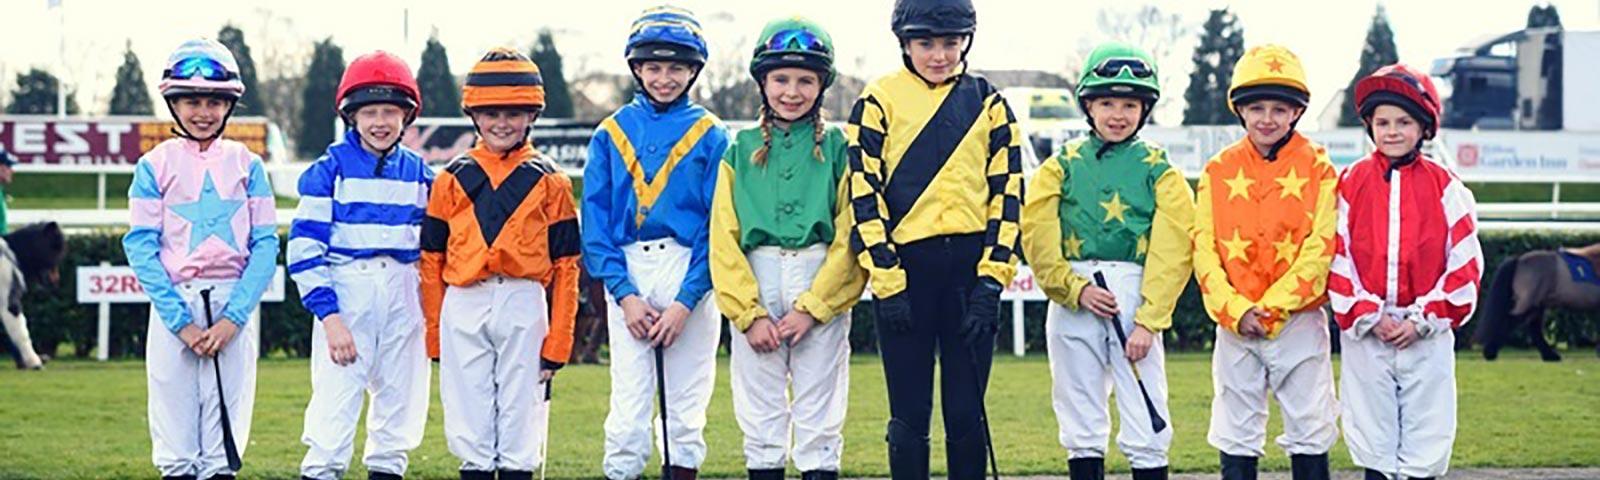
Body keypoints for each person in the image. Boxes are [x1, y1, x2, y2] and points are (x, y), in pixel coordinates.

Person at [845, 0, 1024, 476]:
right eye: (926, 43)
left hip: (969, 274)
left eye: (950, 42)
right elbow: (864, 194)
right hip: (905, 273)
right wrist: (887, 279)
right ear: (905, 43)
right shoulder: (877, 98)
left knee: (966, 412)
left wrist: (991, 282)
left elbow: (1008, 196)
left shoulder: (990, 101)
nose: (939, 54)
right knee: (909, 414)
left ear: (967, 39)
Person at [1020, 41, 1192, 480]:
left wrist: (1149, 320)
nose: (1118, 114)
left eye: (1130, 104)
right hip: (1075, 298)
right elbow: (1038, 235)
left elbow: (1173, 248)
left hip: (1136, 296)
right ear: (1089, 106)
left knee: (1146, 407)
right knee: (1079, 411)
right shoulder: (1059, 166)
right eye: (1108, 102)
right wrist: (1072, 288)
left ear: (1144, 109)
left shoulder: (1160, 168)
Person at [709, 16, 865, 480]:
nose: (791, 91)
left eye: (805, 80)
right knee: (760, 412)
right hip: (756, 275)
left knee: (820, 409)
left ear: (821, 86)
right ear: (763, 82)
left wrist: (815, 307)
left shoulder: (839, 147)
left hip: (819, 276)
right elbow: (724, 235)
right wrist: (748, 312)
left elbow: (850, 231)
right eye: (780, 79)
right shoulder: (739, 147)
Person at [420, 47, 581, 480]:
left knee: (520, 416)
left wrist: (559, 342)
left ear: (532, 115)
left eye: (514, 112)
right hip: (464, 301)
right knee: (468, 416)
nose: (502, 123)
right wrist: (434, 333)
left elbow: (567, 266)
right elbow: (430, 260)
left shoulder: (552, 182)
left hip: (523, 300)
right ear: (474, 115)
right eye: (491, 113)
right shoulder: (449, 179)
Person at [583, 6, 730, 479]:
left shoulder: (712, 134)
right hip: (629, 270)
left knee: (686, 409)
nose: (663, 77)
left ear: (693, 71)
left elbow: (719, 227)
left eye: (675, 68)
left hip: (690, 267)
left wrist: (687, 301)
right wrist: (624, 296)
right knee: (628, 409)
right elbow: (596, 227)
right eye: (653, 67)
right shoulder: (610, 132)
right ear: (636, 69)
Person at [124, 38, 279, 480]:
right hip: (175, 304)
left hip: (234, 304)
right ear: (173, 104)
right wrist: (182, 323)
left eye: (214, 101)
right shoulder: (153, 166)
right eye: (191, 101)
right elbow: (141, 246)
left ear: (229, 106)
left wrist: (233, 318)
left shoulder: (249, 165)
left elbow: (266, 244)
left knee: (224, 429)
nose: (203, 112)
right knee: (174, 426)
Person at [1193, 45, 1340, 480]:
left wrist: (1273, 308)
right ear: (1240, 110)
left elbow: (1322, 246)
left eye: (1280, 108)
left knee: (1310, 427)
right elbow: (1204, 249)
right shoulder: (1218, 169)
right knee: (1235, 430)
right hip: (1236, 323)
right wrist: (1236, 311)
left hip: (1298, 320)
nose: (1268, 118)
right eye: (1257, 108)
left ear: (1297, 112)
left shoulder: (1319, 165)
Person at [1329, 63, 1483, 480]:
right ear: (1369, 126)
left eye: (1403, 121)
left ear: (1423, 127)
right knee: (1371, 437)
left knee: (1426, 436)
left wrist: (1422, 320)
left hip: (1425, 335)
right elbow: (1336, 254)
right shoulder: (1350, 182)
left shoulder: (1447, 186)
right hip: (1368, 332)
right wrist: (1369, 314)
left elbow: (1465, 264)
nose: (1392, 131)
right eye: (1382, 122)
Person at [289, 50, 433, 480]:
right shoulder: (328, 170)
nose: (380, 122)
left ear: (406, 116)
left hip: (405, 291)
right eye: (370, 111)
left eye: (390, 111)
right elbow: (304, 249)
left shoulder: (422, 174)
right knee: (334, 409)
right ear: (352, 115)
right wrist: (330, 318)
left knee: (398, 408)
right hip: (348, 292)